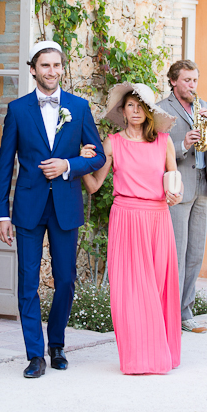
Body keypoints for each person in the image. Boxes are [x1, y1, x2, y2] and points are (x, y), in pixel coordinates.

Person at [0, 41, 106, 379]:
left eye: (57, 66)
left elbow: (98, 156)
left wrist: (68, 165)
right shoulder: (17, 110)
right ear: (33, 69)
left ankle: (56, 343)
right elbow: (4, 166)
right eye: (45, 66)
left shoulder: (79, 107)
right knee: (28, 282)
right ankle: (34, 355)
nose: (52, 71)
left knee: (66, 280)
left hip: (65, 206)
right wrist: (2, 213)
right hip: (27, 207)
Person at [81, 83, 183, 375]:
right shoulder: (113, 143)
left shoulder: (164, 142)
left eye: (140, 105)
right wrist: (82, 163)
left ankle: (164, 352)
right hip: (126, 218)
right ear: (122, 111)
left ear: (149, 111)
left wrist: (176, 193)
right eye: (130, 105)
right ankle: (140, 358)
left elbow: (174, 180)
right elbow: (94, 186)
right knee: (131, 291)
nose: (135, 110)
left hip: (158, 219)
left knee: (160, 286)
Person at [157, 60, 207, 334]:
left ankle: (185, 311)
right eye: (187, 80)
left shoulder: (202, 106)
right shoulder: (163, 110)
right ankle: (170, 315)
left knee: (195, 254)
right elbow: (156, 151)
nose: (192, 86)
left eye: (195, 80)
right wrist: (183, 144)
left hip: (202, 186)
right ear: (174, 81)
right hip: (179, 188)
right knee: (177, 254)